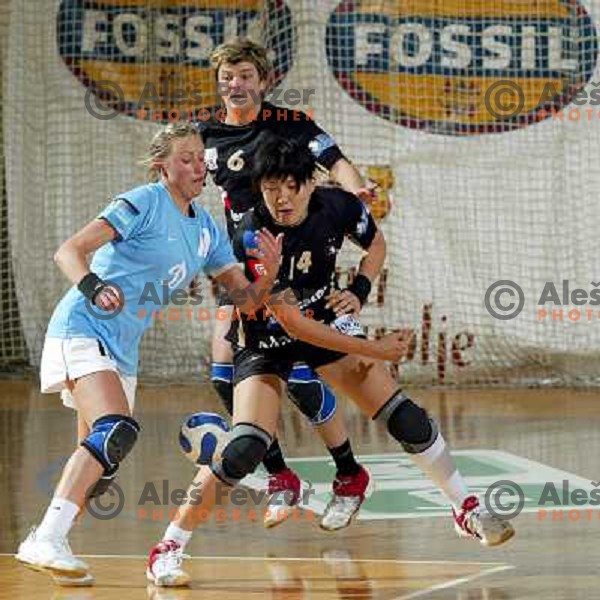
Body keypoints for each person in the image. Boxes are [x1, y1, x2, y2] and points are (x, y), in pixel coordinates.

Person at [146, 134, 514, 588]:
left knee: (403, 415)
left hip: (321, 315)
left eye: (290, 187)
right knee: (244, 447)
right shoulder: (250, 233)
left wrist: (358, 292)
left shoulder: (337, 206)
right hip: (263, 337)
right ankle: (168, 547)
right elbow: (292, 325)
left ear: (309, 183)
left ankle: (465, 506)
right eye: (270, 188)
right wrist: (376, 348)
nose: (280, 198)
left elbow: (375, 246)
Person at [14, 122, 285, 586]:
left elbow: (246, 302)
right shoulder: (143, 201)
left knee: (102, 465)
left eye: (202, 158)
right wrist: (94, 287)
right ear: (163, 167)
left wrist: (270, 274)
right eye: (186, 159)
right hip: (83, 326)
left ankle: (50, 539)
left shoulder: (205, 230)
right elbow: (69, 251)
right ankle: (44, 540)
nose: (198, 166)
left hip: (122, 349)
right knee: (114, 429)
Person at [199, 38, 376, 530]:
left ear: (263, 81)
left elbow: (334, 158)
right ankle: (282, 477)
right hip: (240, 267)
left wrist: (356, 186)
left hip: (291, 266)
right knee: (222, 377)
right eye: (228, 77)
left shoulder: (288, 126)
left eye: (246, 77)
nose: (236, 85)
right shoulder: (206, 134)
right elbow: (183, 179)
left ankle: (348, 474)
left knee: (295, 375)